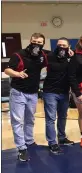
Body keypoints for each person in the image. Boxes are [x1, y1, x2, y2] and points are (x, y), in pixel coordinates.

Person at [4, 33, 47, 162]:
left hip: (33, 93)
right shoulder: (19, 54)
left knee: (30, 120)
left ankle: (29, 141)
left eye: (40, 42)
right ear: (30, 40)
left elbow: (56, 54)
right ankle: (21, 148)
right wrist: (17, 73)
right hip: (18, 92)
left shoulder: (42, 55)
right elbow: (7, 70)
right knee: (17, 121)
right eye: (35, 41)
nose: (37, 44)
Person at [42, 37, 74, 154]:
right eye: (59, 45)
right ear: (56, 45)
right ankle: (52, 143)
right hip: (50, 92)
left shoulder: (70, 57)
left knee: (63, 116)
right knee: (50, 118)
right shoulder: (49, 56)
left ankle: (61, 138)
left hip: (64, 92)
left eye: (64, 45)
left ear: (68, 46)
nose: (61, 47)